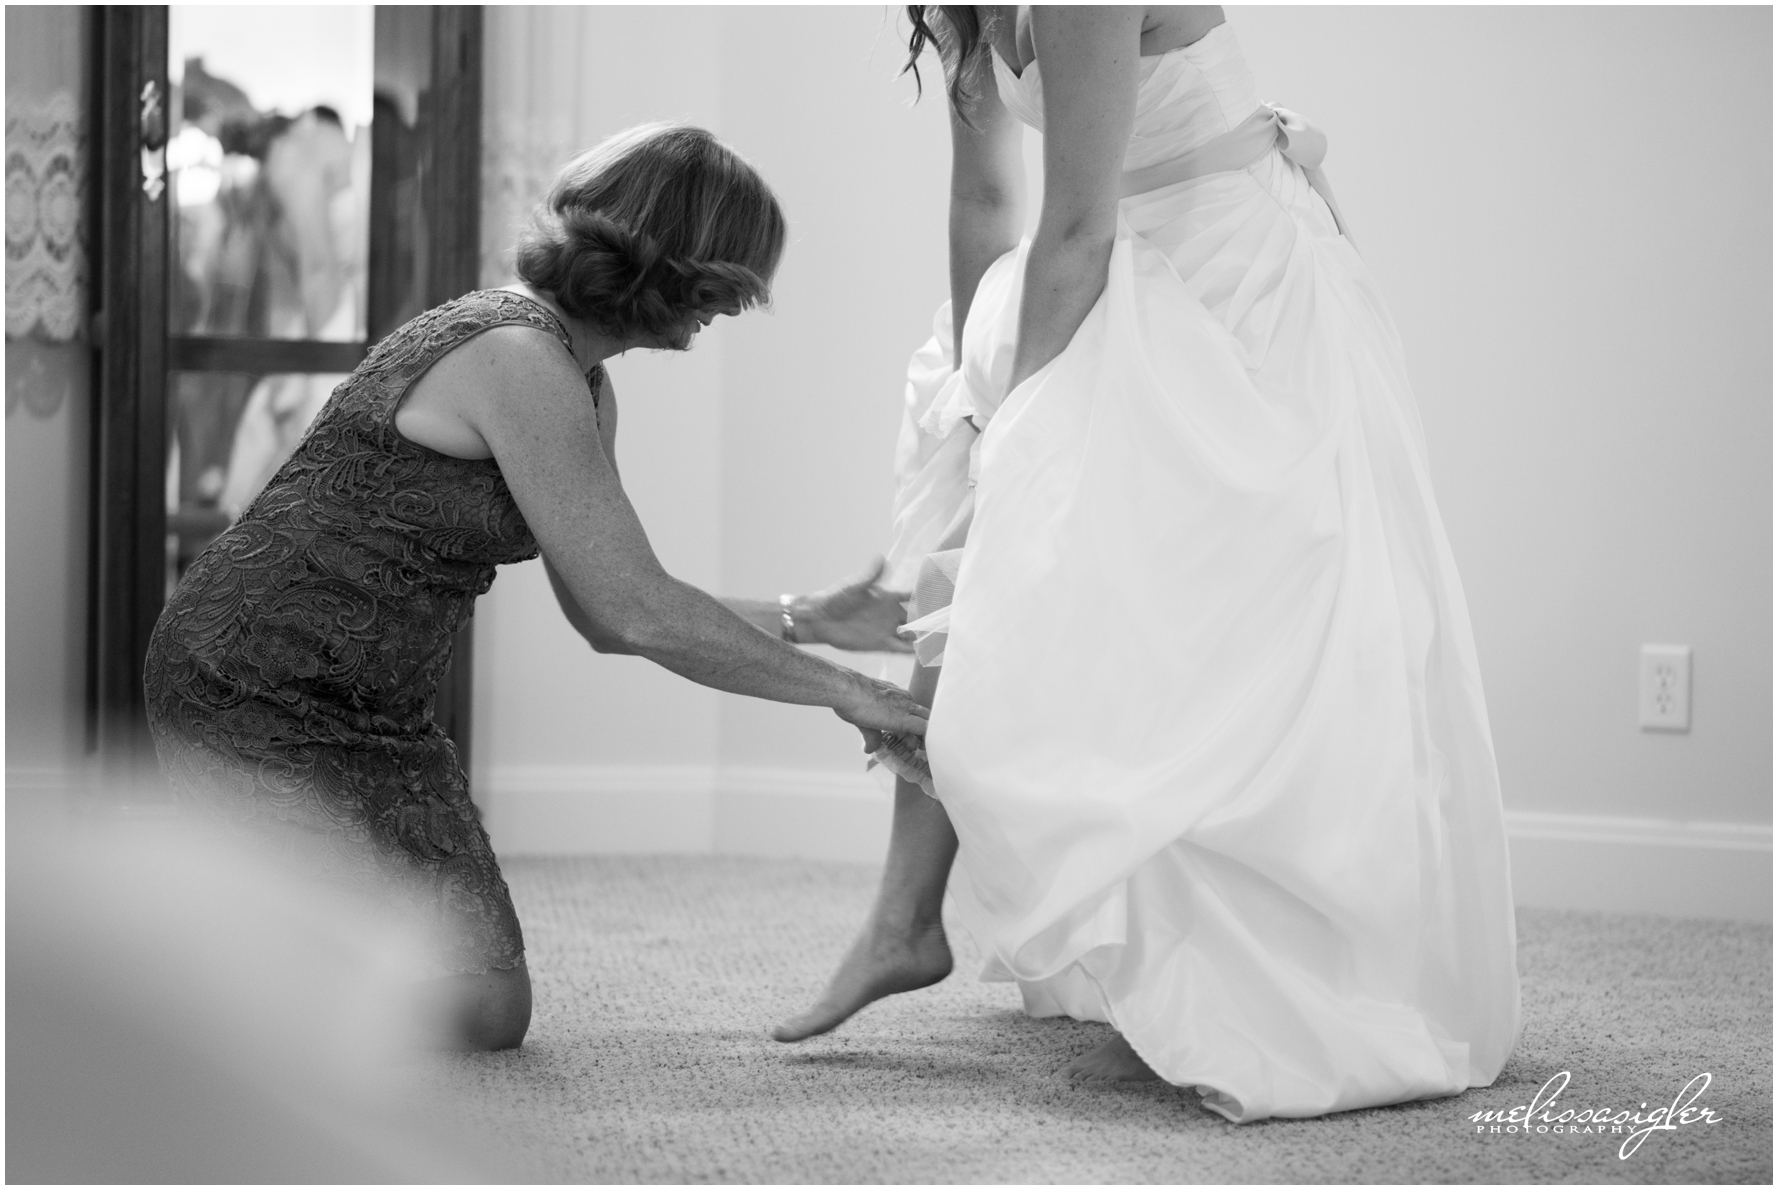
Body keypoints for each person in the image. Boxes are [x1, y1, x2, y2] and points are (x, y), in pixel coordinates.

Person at [773, 6, 1521, 1123]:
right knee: (962, 436)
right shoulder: (959, 10)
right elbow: (987, 200)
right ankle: (904, 912)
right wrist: (980, 402)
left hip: (1225, 272)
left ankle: (1276, 950)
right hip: (1108, 254)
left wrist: (1018, 424)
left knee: (1216, 616)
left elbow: (1072, 224)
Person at [144, 123, 928, 1052]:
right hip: (248, 686)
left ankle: (265, 945)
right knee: (338, 993)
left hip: (378, 717)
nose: (730, 310)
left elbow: (605, 611)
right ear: (673, 264)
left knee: (486, 1010)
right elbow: (640, 612)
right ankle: (175, 969)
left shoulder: (584, 386)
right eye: (729, 284)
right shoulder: (514, 354)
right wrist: (853, 695)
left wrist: (812, 620)